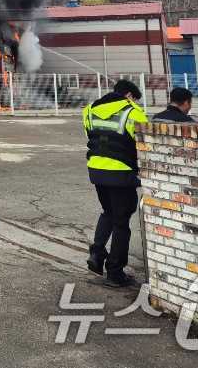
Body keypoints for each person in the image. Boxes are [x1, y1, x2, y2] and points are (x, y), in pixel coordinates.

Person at [83, 78, 149, 288]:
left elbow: (91, 136)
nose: (137, 103)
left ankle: (97, 251)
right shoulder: (132, 112)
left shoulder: (89, 110)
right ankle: (115, 272)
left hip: (97, 170)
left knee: (108, 212)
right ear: (129, 96)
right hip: (122, 174)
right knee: (121, 223)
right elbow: (144, 142)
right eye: (135, 99)